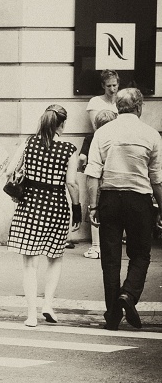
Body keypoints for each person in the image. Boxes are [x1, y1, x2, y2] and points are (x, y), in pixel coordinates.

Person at [85, 87, 162, 330]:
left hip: (109, 198)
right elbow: (157, 179)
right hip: (139, 200)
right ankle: (128, 294)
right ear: (139, 107)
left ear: (117, 107)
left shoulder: (103, 132)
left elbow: (92, 173)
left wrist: (93, 206)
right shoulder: (151, 134)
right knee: (140, 253)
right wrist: (161, 208)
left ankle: (113, 315)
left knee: (110, 259)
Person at [6, 105, 80, 327]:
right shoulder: (69, 149)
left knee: (30, 264)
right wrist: (77, 209)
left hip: (30, 206)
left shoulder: (29, 142)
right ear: (62, 125)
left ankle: (31, 315)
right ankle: (48, 304)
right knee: (55, 258)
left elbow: (10, 170)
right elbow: (71, 183)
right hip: (56, 208)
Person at [81, 70, 120, 259]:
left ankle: (105, 244)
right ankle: (97, 245)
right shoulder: (96, 102)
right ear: (103, 86)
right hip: (103, 159)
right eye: (109, 85)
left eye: (115, 85)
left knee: (104, 205)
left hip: (113, 162)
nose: (112, 89)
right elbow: (98, 128)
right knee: (96, 203)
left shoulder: (121, 100)